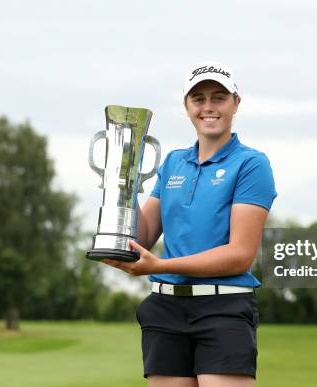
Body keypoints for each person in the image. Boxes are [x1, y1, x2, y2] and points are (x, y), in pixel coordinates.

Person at [102, 60, 277, 387]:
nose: (208, 107)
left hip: (223, 307)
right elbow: (143, 236)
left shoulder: (251, 164)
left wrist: (161, 264)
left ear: (235, 103)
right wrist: (124, 182)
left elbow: (240, 254)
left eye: (218, 98)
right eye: (198, 99)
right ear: (186, 106)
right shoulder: (172, 162)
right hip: (165, 309)